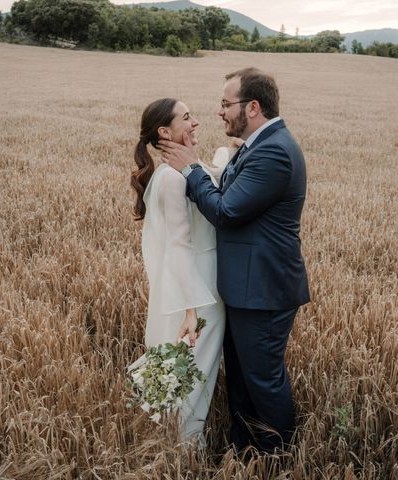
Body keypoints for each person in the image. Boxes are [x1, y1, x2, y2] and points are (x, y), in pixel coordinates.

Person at [159, 68, 310, 452]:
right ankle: (244, 449)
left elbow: (226, 211)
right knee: (242, 379)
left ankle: (277, 457)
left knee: (263, 380)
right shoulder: (260, 144)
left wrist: (191, 168)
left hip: (264, 291)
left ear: (253, 107)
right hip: (247, 289)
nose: (220, 112)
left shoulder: (274, 150)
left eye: (226, 104)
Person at [130, 98, 227, 444]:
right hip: (198, 290)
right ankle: (184, 447)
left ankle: (170, 440)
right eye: (187, 118)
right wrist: (190, 309)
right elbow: (179, 246)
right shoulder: (171, 178)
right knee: (192, 373)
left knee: (185, 369)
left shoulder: (180, 170)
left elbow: (211, 174)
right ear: (165, 132)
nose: (196, 122)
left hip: (197, 285)